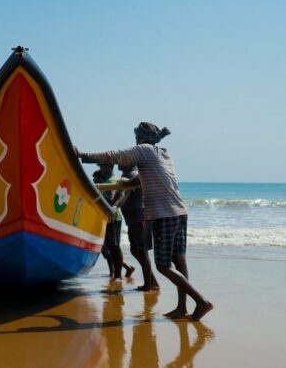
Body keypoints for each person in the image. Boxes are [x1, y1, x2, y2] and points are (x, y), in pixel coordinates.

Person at [78, 122, 213, 321]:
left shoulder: (144, 150)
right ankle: (182, 308)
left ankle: (201, 302)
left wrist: (82, 156)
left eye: (136, 139)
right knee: (178, 260)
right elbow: (133, 182)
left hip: (163, 214)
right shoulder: (163, 154)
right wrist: (95, 187)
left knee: (163, 266)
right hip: (179, 211)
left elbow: (114, 155)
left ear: (140, 139)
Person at [113, 164, 158, 291]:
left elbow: (124, 196)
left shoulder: (132, 176)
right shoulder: (126, 175)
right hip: (132, 219)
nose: (118, 162)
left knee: (143, 253)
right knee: (135, 250)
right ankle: (152, 281)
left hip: (139, 218)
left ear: (130, 163)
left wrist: (115, 207)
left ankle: (148, 285)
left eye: (122, 161)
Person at [96, 164, 134, 281]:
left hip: (114, 218)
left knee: (114, 247)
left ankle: (117, 275)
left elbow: (118, 195)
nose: (101, 169)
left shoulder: (114, 180)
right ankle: (116, 272)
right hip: (105, 218)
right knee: (108, 248)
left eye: (102, 167)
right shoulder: (106, 180)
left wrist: (114, 207)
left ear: (109, 166)